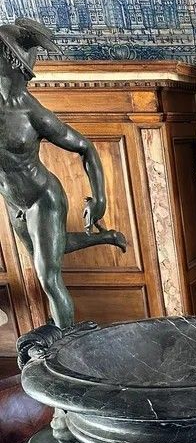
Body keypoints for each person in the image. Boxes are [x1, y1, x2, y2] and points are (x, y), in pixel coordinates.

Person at [0, 19, 125, 330]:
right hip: (14, 204)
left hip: (43, 198)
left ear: (12, 62)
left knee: (49, 277)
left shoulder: (32, 113)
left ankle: (66, 347)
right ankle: (106, 237)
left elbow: (85, 147)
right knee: (50, 255)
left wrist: (100, 200)